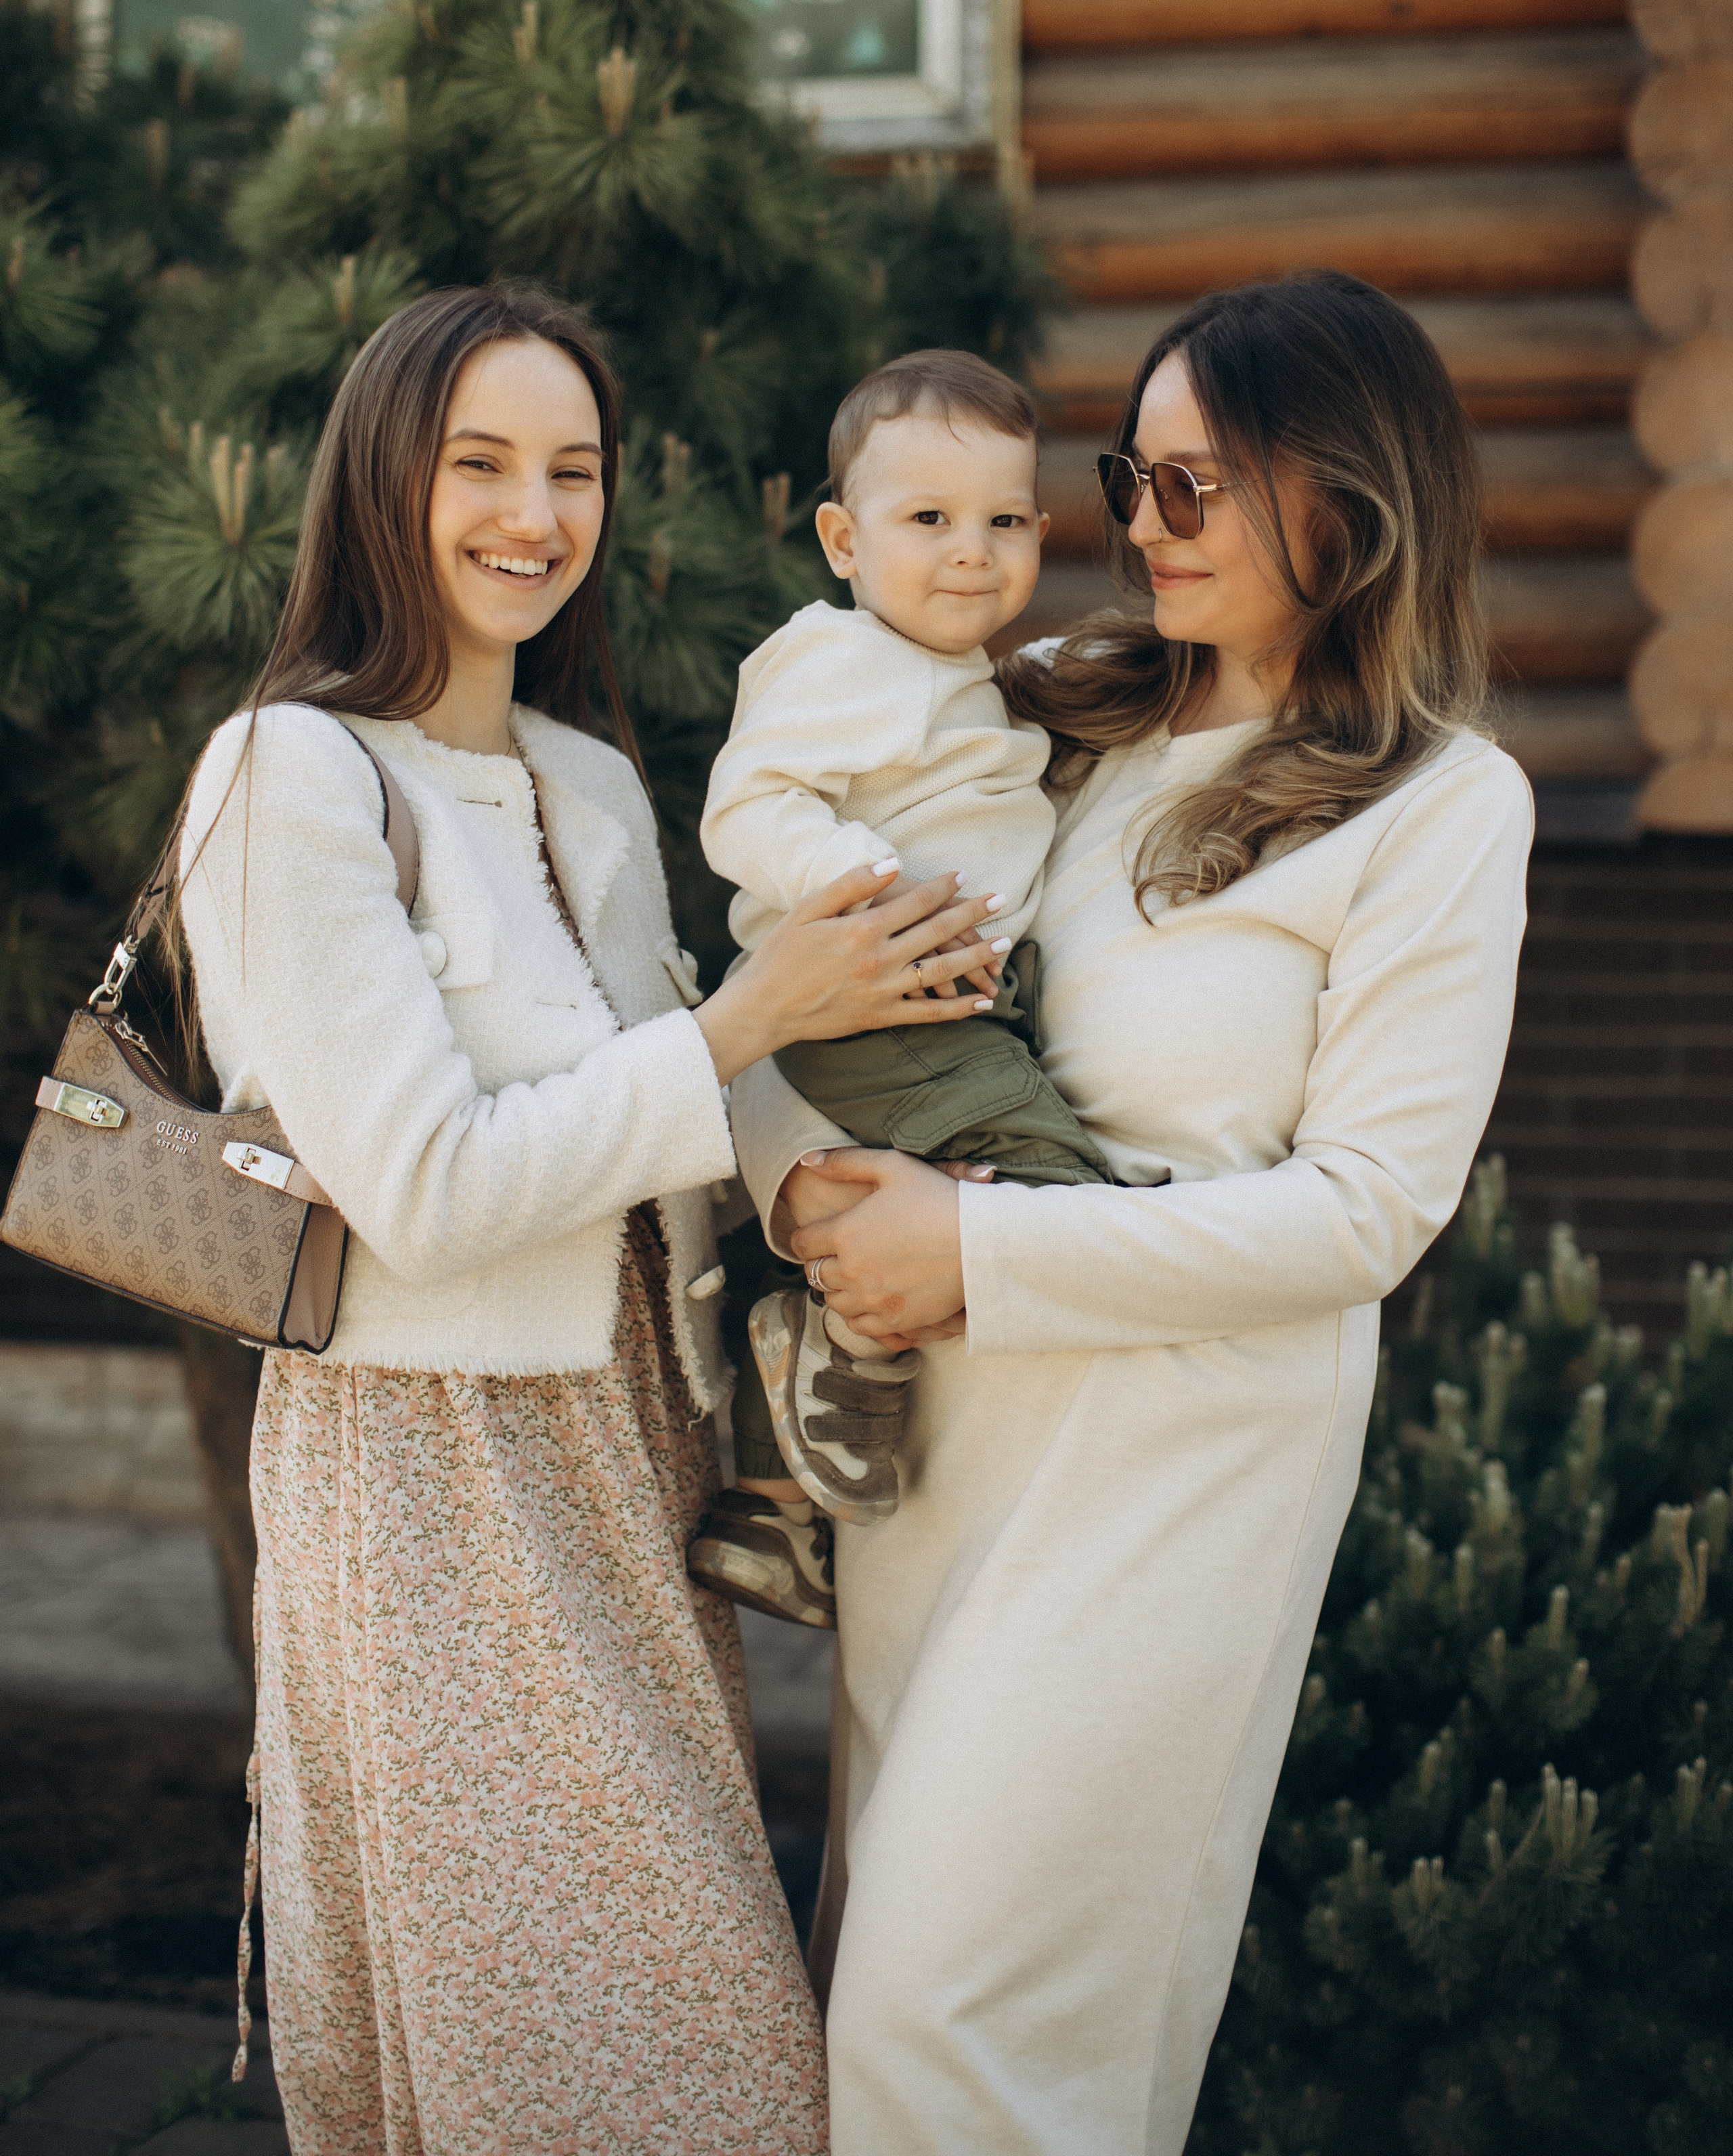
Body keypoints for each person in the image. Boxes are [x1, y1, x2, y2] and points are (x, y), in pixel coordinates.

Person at [175, 282, 1006, 2153]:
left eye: (575, 470)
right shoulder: (290, 772)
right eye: (480, 464)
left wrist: (864, 1167)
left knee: (635, 2021)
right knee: (618, 2035)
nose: (532, 516)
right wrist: (750, 1015)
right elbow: (428, 1187)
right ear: (384, 479)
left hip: (633, 1444)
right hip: (426, 1466)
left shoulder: (597, 785)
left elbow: (684, 1122)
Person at [726, 270, 1535, 2154]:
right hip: (944, 1466)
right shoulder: (1041, 738)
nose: (1138, 528)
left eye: (1200, 487)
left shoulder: (1437, 806)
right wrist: (815, 1198)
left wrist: (977, 1250)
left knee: (967, 2036)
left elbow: (1368, 1216)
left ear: (1351, 502)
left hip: (1176, 1479)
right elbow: (798, 1001)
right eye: (1132, 480)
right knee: (890, 2019)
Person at [688, 351, 1113, 1628]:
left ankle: (774, 1508)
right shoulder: (836, 660)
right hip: (877, 1001)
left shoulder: (971, 681)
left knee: (952, 1193)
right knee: (1044, 1185)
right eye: (927, 520)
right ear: (842, 539)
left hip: (937, 1006)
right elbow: (748, 804)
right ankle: (851, 1348)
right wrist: (872, 894)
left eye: (1001, 522)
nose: (970, 552)